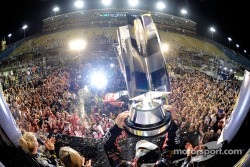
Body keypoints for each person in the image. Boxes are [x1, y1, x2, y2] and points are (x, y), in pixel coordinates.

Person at [103, 106, 180, 167]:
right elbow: (173, 145)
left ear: (135, 160)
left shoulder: (164, 164)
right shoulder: (163, 165)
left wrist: (115, 128)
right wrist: (170, 122)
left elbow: (108, 146)